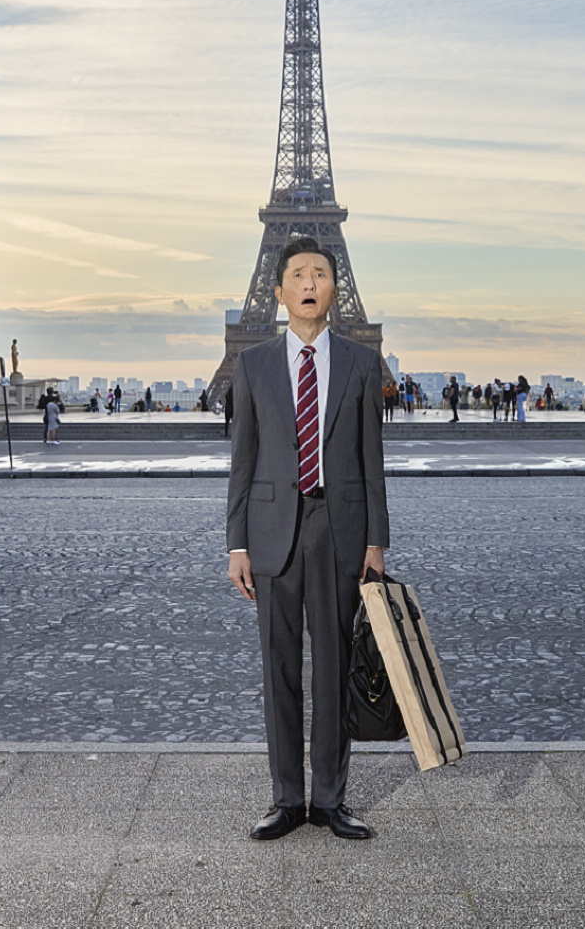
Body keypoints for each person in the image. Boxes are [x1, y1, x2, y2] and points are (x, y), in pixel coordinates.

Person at [227, 238, 388, 844]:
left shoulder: (359, 362)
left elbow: (372, 461)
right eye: (298, 274)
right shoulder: (253, 364)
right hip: (272, 532)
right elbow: (243, 462)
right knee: (280, 671)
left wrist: (376, 539)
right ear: (278, 292)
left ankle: (329, 800)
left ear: (334, 289)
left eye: (320, 273)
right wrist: (236, 545)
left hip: (339, 528)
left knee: (335, 669)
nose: (310, 283)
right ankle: (286, 799)